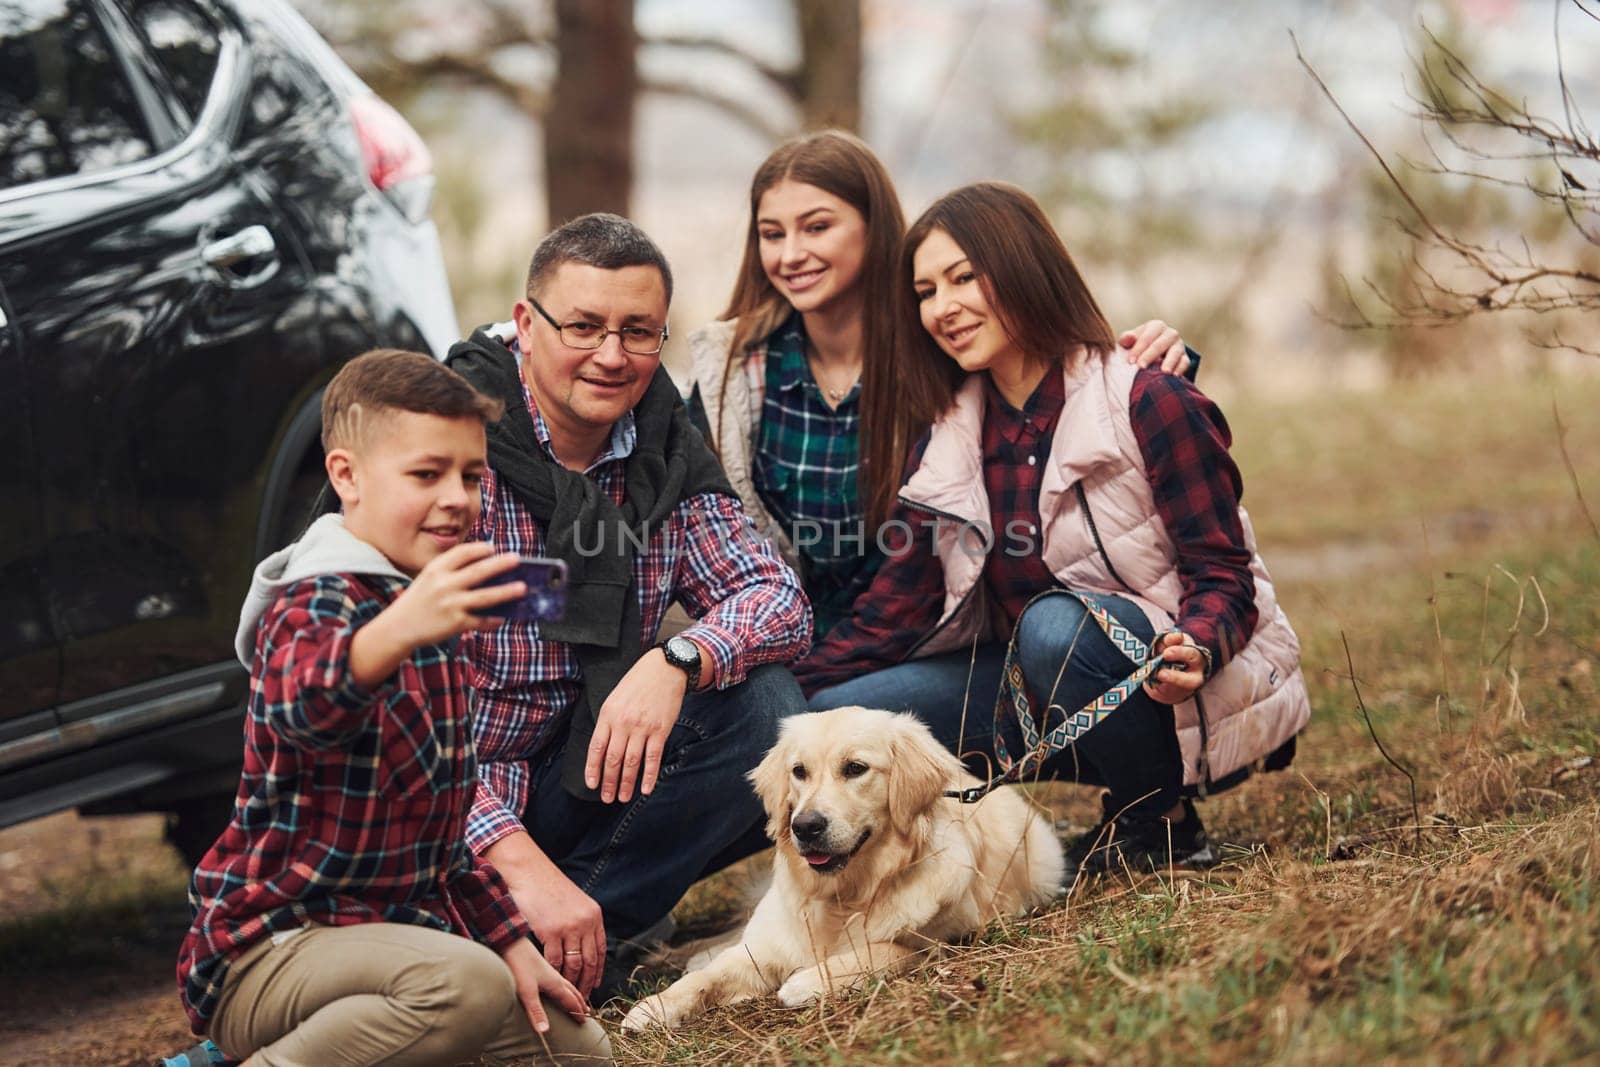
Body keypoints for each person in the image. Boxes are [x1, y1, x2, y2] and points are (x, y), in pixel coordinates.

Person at [794, 183, 1309, 875]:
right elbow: (894, 610)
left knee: (1052, 630)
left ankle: (1159, 822)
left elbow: (1224, 575)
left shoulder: (1149, 400)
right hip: (1024, 693)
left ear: (1022, 266)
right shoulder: (949, 435)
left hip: (1161, 685)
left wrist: (1200, 646)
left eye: (963, 277)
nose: (942, 307)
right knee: (839, 712)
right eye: (925, 291)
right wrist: (786, 687)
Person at [174, 350, 612, 1067]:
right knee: (462, 986)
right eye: (425, 474)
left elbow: (444, 823)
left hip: (396, 939)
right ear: (345, 476)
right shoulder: (317, 599)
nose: (456, 497)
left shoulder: (423, 605)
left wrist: (509, 940)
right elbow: (302, 704)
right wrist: (404, 624)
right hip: (269, 949)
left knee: (574, 1050)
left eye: (470, 476)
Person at [446, 214, 812, 1003]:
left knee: (765, 708)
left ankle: (587, 935)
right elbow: (385, 716)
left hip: (578, 771)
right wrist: (513, 858)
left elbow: (776, 596)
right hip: (446, 800)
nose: (612, 356)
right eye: (583, 325)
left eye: (638, 331)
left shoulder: (662, 450)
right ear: (525, 323)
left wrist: (679, 658)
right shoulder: (448, 447)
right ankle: (528, 932)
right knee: (430, 969)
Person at [687, 130, 1194, 637]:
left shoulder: (948, 350)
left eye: (816, 227)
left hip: (924, 640)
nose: (791, 254)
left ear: (873, 227)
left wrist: (1163, 357)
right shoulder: (731, 377)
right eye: (772, 234)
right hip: (775, 635)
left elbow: (1065, 386)